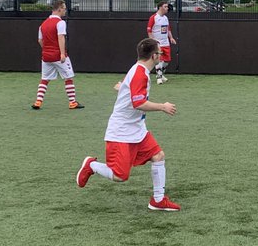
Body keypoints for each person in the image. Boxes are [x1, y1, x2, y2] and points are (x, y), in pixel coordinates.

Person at [75, 37, 180, 211]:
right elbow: (138, 103)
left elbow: (127, 86)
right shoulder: (140, 73)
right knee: (119, 176)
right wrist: (163, 107)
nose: (161, 55)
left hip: (137, 128)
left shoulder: (139, 69)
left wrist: (121, 87)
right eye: (160, 53)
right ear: (154, 56)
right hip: (121, 131)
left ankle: (158, 200)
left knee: (158, 156)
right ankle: (91, 166)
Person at [32, 0, 83, 110]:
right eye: (64, 9)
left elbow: (40, 40)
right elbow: (61, 37)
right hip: (58, 55)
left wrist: (46, 49)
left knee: (44, 79)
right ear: (59, 9)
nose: (65, 11)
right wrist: (62, 53)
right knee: (68, 78)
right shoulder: (60, 23)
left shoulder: (43, 24)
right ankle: (72, 102)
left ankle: (38, 102)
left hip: (45, 56)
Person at [146, 0, 177, 84]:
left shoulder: (165, 18)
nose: (167, 8)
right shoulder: (153, 17)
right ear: (160, 7)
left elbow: (168, 29)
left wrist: (171, 38)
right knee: (159, 60)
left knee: (167, 61)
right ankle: (159, 77)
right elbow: (149, 30)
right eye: (165, 7)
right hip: (157, 42)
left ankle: (160, 74)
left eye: (167, 7)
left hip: (165, 42)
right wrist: (153, 41)